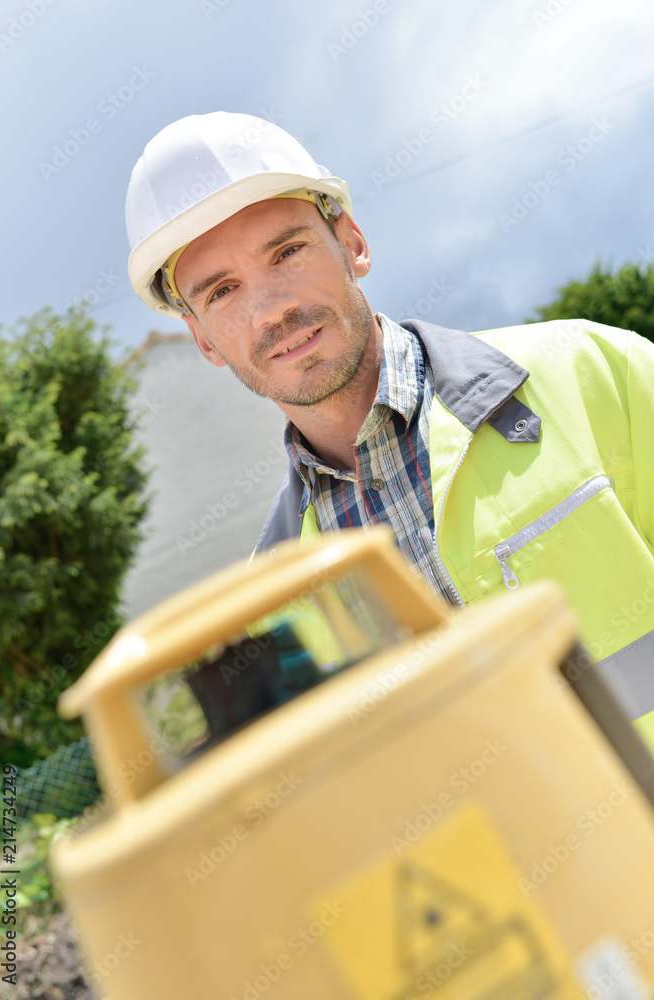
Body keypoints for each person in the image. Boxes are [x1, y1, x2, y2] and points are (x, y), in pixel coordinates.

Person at [125, 111, 654, 745]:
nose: (272, 308)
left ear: (352, 242)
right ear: (203, 340)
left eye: (287, 251)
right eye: (222, 291)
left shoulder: (594, 370)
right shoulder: (274, 597)